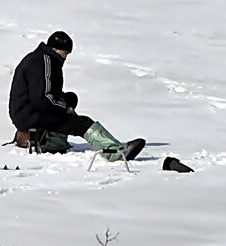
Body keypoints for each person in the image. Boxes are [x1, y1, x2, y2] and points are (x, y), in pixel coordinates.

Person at [8, 31, 144, 161]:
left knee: (71, 103)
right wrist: (64, 107)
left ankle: (33, 139)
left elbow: (48, 95)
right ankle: (115, 151)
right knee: (81, 123)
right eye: (65, 53)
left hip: (28, 114)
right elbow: (43, 99)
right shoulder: (43, 61)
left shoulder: (43, 59)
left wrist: (68, 102)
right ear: (56, 48)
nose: (66, 57)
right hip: (32, 114)